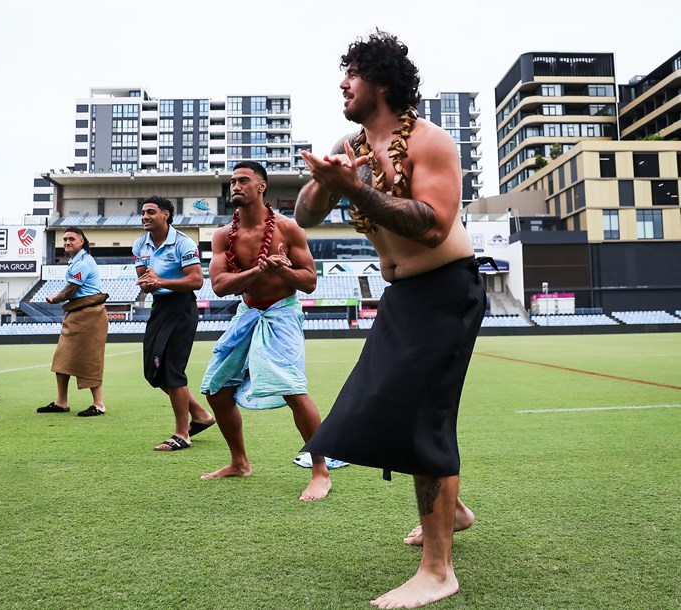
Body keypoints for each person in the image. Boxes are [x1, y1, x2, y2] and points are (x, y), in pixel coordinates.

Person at [295, 31, 485, 608]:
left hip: (446, 290)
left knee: (424, 417)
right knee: (379, 410)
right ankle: (454, 512)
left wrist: (359, 190)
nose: (342, 83)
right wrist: (328, 185)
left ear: (380, 80)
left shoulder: (431, 140)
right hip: (403, 295)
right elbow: (304, 214)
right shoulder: (349, 145)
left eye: (351, 73)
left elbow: (431, 225)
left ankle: (438, 570)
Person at [200, 160, 331, 502]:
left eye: (244, 180)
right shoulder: (223, 236)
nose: (236, 186)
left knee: (291, 389)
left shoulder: (288, 229)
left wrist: (283, 272)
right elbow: (219, 285)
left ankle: (321, 471)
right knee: (216, 389)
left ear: (262, 186)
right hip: (247, 313)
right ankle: (239, 462)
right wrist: (258, 271)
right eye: (233, 181)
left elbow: (310, 282)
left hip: (282, 314)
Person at [133, 196, 216, 451]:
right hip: (160, 308)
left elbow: (196, 281)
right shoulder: (140, 244)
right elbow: (145, 281)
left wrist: (162, 282)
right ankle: (201, 415)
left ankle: (182, 434)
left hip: (182, 307)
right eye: (143, 212)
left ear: (166, 214)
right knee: (153, 372)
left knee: (172, 370)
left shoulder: (183, 243)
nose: (145, 216)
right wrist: (149, 283)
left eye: (151, 212)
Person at [37, 227, 109, 417]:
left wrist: (55, 298)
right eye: (65, 239)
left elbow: (69, 291)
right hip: (77, 313)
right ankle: (61, 402)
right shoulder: (76, 261)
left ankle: (99, 404)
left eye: (71, 239)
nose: (67, 242)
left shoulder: (83, 263)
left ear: (82, 242)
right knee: (62, 357)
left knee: (90, 359)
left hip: (90, 315)